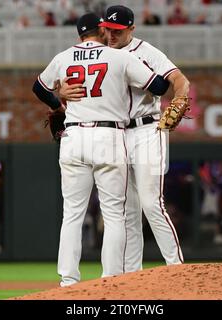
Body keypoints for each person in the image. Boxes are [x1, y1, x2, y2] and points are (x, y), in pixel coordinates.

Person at [32, 12, 171, 286]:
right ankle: (110, 278)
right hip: (108, 135)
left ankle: (68, 280)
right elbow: (159, 85)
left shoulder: (63, 57)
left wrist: (57, 103)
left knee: (72, 213)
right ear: (102, 31)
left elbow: (38, 87)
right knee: (114, 214)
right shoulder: (119, 57)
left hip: (73, 137)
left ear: (79, 34)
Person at [60, 5, 189, 272]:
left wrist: (179, 99)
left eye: (118, 30)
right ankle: (131, 277)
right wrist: (61, 90)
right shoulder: (99, 55)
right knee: (128, 210)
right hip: (115, 134)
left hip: (147, 130)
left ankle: (176, 269)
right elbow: (66, 84)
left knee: (152, 203)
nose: (112, 34)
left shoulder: (145, 51)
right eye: (108, 29)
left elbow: (179, 80)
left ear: (131, 29)